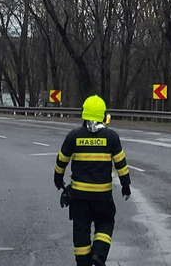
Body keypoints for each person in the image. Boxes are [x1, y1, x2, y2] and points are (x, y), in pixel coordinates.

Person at [54, 95, 130, 266]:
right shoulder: (111, 137)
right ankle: (99, 254)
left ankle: (83, 263)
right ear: (103, 115)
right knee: (106, 221)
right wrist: (126, 186)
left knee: (81, 229)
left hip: (79, 196)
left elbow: (61, 161)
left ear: (84, 113)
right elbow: (121, 165)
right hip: (102, 196)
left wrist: (58, 180)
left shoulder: (74, 136)